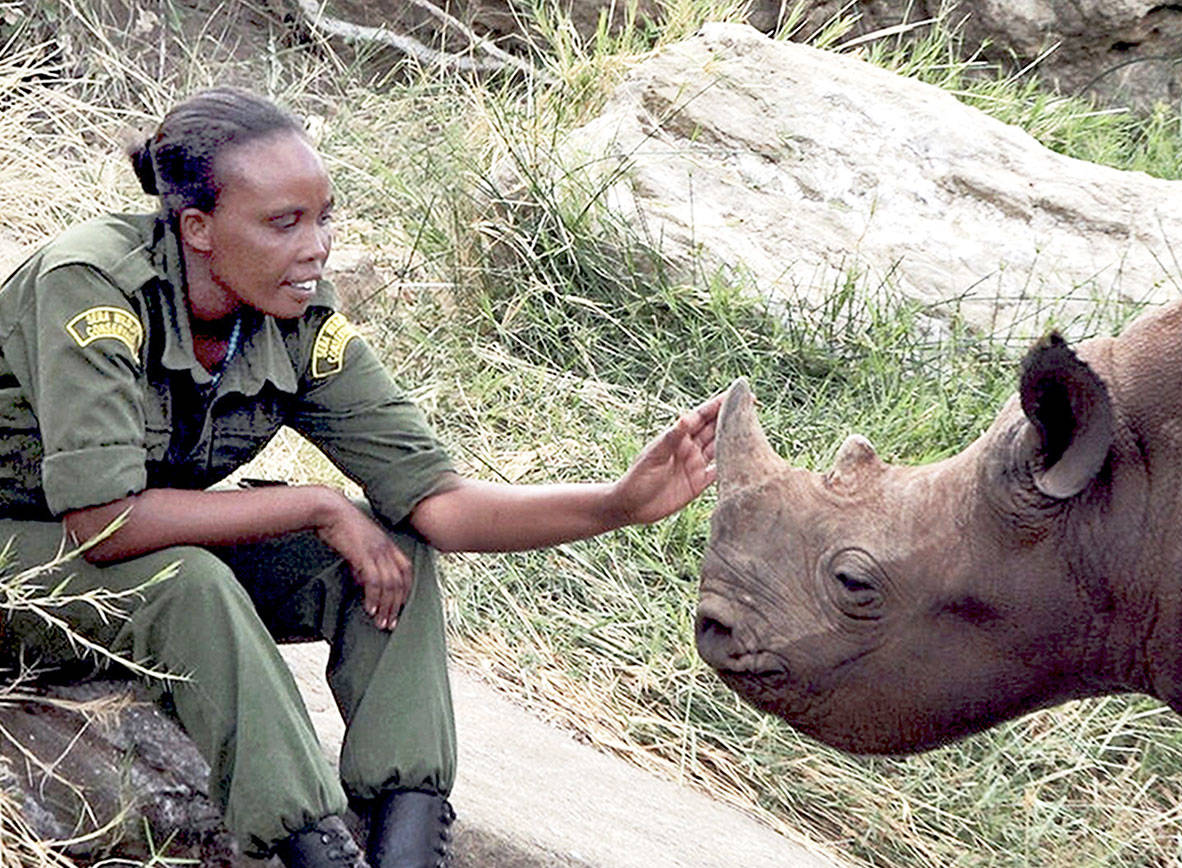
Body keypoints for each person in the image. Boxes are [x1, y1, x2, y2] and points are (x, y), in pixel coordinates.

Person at [0, 86, 721, 868]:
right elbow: (105, 523)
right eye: (284, 223)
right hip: (23, 566)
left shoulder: (293, 316)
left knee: (390, 544)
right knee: (191, 582)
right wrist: (315, 505)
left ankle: (408, 842)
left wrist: (616, 504)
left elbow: (440, 505)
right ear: (197, 228)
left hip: (110, 568)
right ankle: (314, 850)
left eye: (324, 218)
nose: (316, 248)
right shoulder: (91, 285)